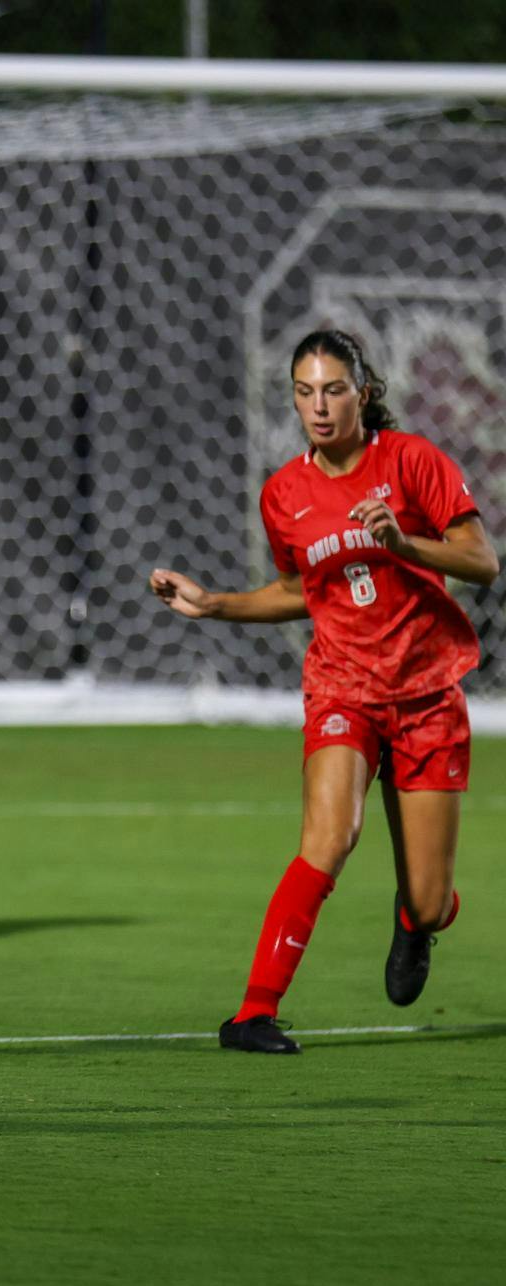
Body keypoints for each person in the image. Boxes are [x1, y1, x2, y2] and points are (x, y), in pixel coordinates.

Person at [151, 328, 497, 1055]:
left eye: (333, 389)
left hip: (428, 690)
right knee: (329, 836)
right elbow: (294, 590)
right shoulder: (283, 494)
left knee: (431, 899)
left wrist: (404, 545)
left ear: (363, 392)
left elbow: (482, 560)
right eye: (304, 392)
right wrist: (214, 602)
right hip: (343, 684)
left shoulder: (411, 462)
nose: (318, 405)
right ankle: (252, 1013)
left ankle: (417, 920)